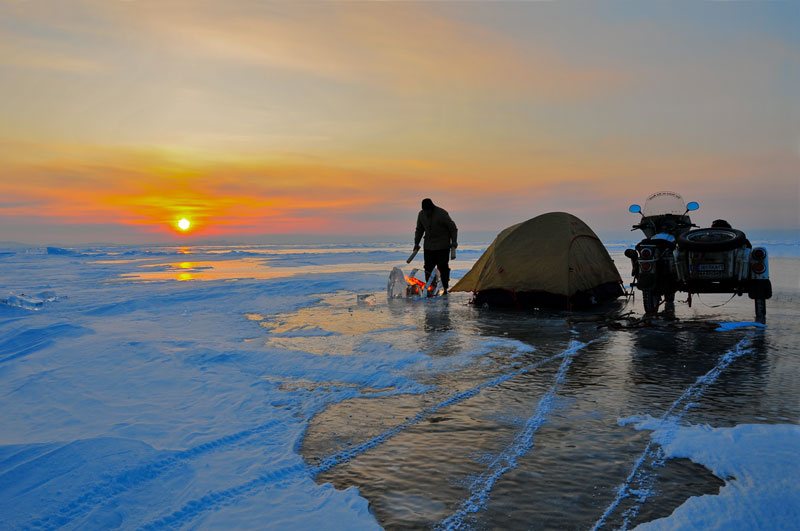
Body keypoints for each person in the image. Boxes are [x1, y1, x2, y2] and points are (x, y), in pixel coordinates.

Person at [413, 198, 458, 293]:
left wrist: (454, 241)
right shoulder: (421, 215)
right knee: (428, 268)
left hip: (442, 246)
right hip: (429, 246)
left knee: (443, 267)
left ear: (432, 208)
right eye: (425, 211)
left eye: (428, 210)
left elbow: (453, 228)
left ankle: (444, 288)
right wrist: (416, 243)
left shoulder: (442, 214)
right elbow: (419, 230)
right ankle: (431, 288)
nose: (426, 213)